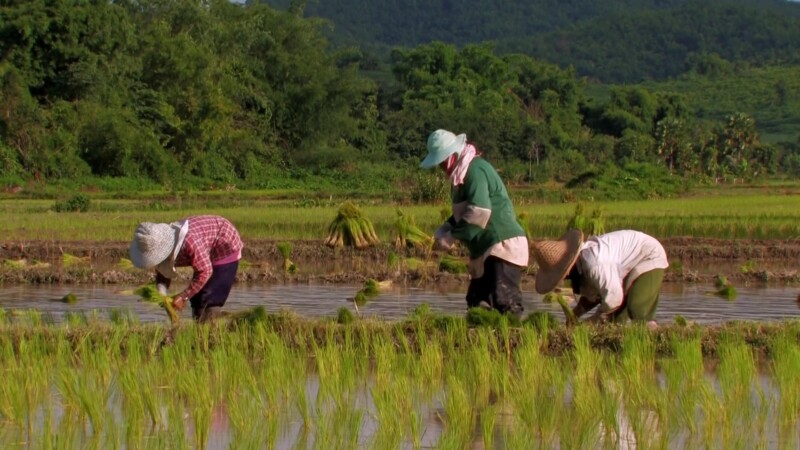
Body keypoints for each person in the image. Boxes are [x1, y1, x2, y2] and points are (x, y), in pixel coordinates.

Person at [420, 129, 529, 315]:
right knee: (476, 302)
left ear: (453, 156)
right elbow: (463, 214)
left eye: (442, 162)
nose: (441, 168)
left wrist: (451, 237)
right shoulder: (460, 178)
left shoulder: (475, 170)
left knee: (503, 299)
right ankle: (486, 342)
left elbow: (479, 211)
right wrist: (446, 228)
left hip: (501, 245)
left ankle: (515, 339)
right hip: (485, 249)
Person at [531, 228, 668, 327]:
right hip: (626, 264)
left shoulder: (594, 264)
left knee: (637, 309)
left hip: (648, 255)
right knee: (615, 320)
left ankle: (654, 339)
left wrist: (591, 321)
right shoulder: (583, 267)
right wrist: (575, 313)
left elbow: (614, 299)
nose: (564, 279)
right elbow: (595, 295)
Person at [129, 214, 244, 322]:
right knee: (196, 300)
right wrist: (162, 296)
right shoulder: (162, 246)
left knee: (208, 298)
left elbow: (205, 271)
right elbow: (163, 273)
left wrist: (183, 297)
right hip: (206, 247)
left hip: (225, 245)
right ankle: (202, 326)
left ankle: (210, 332)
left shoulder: (190, 242)